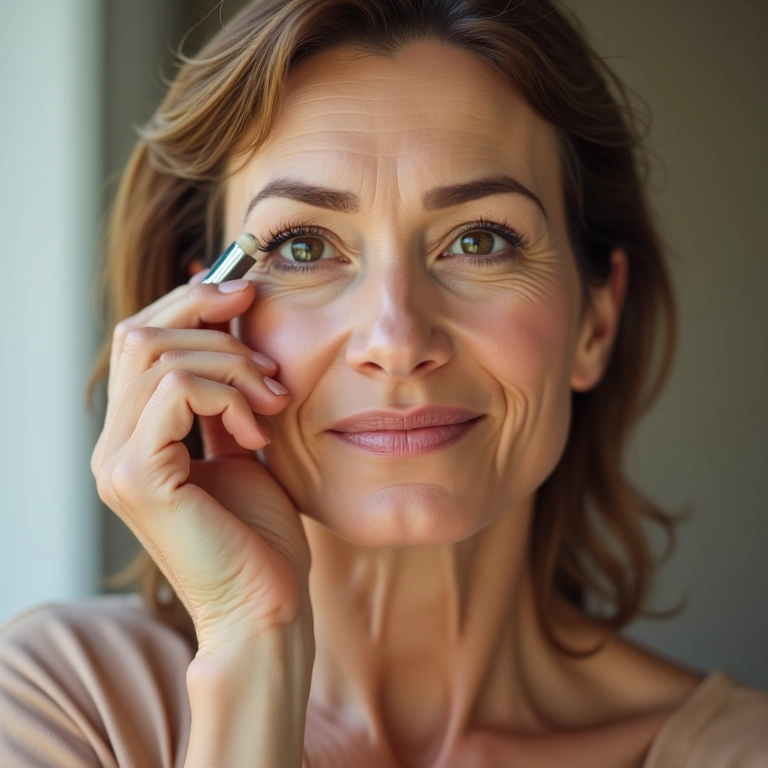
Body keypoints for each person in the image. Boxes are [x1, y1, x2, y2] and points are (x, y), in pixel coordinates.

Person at [1, 0, 767, 765]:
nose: (396, 340)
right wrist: (252, 644)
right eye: (302, 247)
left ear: (595, 324)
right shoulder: (57, 703)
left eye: (479, 239)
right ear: (204, 325)